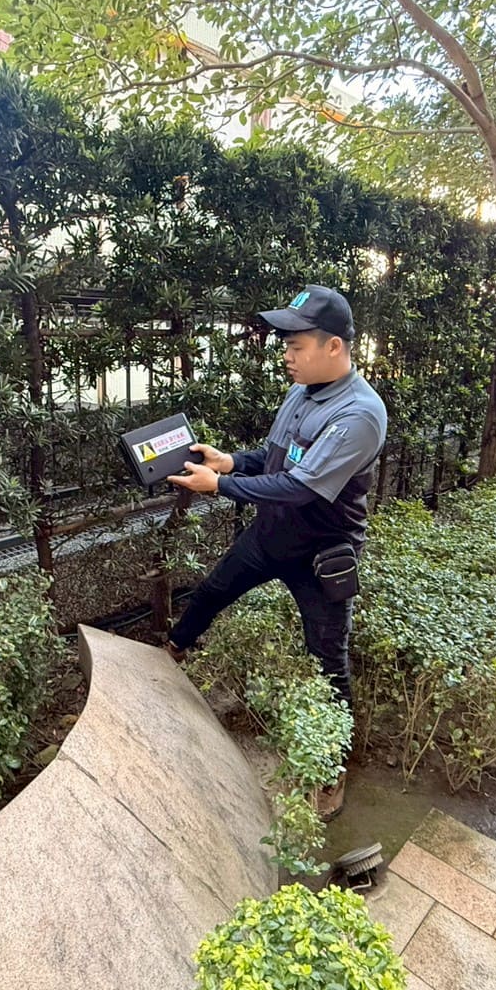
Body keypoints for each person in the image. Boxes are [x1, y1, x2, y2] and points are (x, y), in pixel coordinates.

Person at [167, 285, 387, 819]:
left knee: (327, 658)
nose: (286, 355)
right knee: (212, 591)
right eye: (286, 345)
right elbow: (275, 459)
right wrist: (231, 463)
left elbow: (300, 486)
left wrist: (220, 487)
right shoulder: (301, 390)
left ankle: (332, 770)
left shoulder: (359, 414)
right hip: (271, 535)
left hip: (321, 556)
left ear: (334, 346)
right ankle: (169, 654)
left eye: (297, 345)